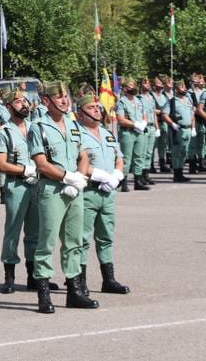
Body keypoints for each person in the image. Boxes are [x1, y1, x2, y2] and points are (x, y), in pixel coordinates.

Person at [27, 81, 99, 314]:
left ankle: (74, 291)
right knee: (46, 243)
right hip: (52, 190)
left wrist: (79, 176)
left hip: (75, 190)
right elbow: (41, 163)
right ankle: (44, 294)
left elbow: (84, 154)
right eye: (58, 97)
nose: (64, 100)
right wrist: (67, 176)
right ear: (46, 101)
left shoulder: (73, 124)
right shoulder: (39, 127)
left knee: (74, 242)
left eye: (65, 96)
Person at [0, 90, 59, 294]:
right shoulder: (3, 132)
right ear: (8, 107)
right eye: (18, 101)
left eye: (25, 101)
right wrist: (25, 170)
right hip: (17, 185)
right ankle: (9, 276)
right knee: (12, 230)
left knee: (35, 233)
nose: (23, 104)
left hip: (38, 184)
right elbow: (2, 165)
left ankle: (34, 276)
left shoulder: (36, 128)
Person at [76, 94, 130, 295]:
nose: (97, 110)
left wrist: (116, 175)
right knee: (82, 239)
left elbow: (119, 158)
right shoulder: (77, 135)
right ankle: (79, 280)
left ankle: (108, 279)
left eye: (97, 107)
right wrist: (98, 175)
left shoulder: (108, 133)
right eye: (91, 108)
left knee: (106, 237)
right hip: (88, 191)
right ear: (80, 114)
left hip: (108, 193)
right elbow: (77, 162)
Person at [115, 77, 149, 191]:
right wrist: (135, 124)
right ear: (124, 89)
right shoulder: (121, 102)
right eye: (130, 86)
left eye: (134, 86)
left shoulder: (139, 100)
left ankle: (138, 181)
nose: (133, 88)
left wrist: (144, 122)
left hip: (140, 132)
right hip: (127, 132)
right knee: (126, 158)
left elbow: (145, 114)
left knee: (139, 156)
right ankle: (123, 182)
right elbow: (120, 119)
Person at [161, 80, 195, 182]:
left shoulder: (188, 100)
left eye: (184, 86)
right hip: (178, 130)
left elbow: (192, 114)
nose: (184, 88)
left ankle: (181, 173)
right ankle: (176, 174)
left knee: (184, 152)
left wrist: (193, 127)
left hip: (188, 129)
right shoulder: (172, 102)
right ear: (176, 89)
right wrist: (172, 124)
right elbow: (164, 114)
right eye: (181, 87)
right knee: (177, 152)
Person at [138, 77, 159, 185]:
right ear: (140, 85)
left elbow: (154, 113)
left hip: (151, 127)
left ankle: (146, 174)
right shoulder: (138, 98)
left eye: (148, 82)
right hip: (144, 127)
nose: (147, 84)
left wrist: (157, 127)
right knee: (142, 151)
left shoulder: (151, 98)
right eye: (145, 83)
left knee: (149, 152)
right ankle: (140, 175)